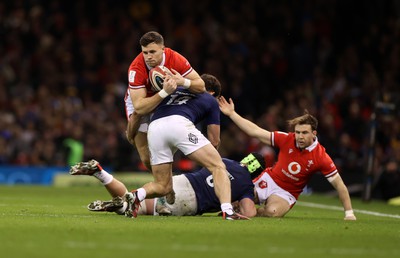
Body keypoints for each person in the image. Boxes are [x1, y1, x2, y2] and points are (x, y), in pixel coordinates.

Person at [70, 74, 247, 220]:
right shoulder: (209, 98)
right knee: (218, 167)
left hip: (155, 126)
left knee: (162, 184)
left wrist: (131, 134)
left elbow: (140, 112)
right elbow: (214, 140)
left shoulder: (174, 89)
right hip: (179, 125)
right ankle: (228, 211)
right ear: (212, 92)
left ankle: (136, 195)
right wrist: (208, 158)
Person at [218, 96, 357, 220]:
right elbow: (255, 131)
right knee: (236, 195)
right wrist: (232, 114)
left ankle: (252, 211)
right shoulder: (286, 139)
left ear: (314, 134)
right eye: (297, 132)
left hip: (287, 193)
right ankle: (231, 206)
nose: (299, 137)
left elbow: (339, 185)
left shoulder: (321, 157)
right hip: (269, 179)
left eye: (304, 133)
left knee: (272, 212)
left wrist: (349, 213)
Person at [86, 153, 266, 218]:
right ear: (257, 173)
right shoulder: (247, 185)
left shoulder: (225, 161)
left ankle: (101, 174)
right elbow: (249, 211)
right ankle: (115, 198)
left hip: (182, 181)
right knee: (131, 208)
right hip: (191, 201)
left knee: (132, 202)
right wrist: (237, 205)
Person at [125, 31, 205, 171]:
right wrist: (164, 92)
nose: (148, 57)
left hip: (166, 98)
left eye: (152, 52)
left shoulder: (175, 58)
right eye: (145, 53)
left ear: (163, 49)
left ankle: (168, 185)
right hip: (143, 100)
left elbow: (201, 86)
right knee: (146, 158)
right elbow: (139, 107)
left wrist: (183, 81)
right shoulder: (136, 68)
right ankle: (131, 133)